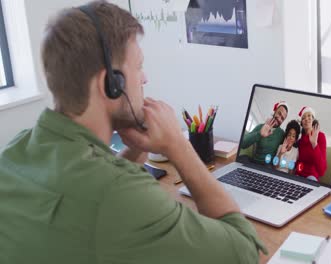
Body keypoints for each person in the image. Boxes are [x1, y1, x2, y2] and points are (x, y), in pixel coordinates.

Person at [0, 1, 265, 263]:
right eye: (138, 67)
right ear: (111, 84)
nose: (144, 78)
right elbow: (244, 250)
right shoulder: (120, 196)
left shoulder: (16, 152)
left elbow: (92, 184)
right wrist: (178, 147)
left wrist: (138, 146)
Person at [295, 106, 327, 181]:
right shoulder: (300, 141)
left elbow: (322, 171)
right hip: (299, 175)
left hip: (312, 177)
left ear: (313, 119)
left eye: (309, 116)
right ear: (301, 123)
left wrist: (314, 144)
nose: (306, 119)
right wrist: (297, 173)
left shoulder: (321, 136)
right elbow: (299, 162)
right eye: (303, 118)